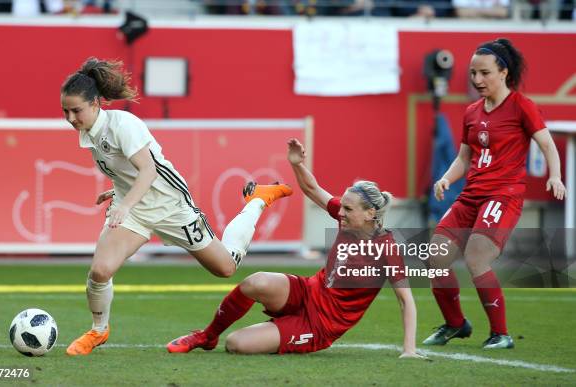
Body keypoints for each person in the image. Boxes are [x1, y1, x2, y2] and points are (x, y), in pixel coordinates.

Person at [61, 57, 292, 356]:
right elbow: (127, 170)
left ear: (95, 104)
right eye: (65, 111)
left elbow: (149, 171)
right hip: (136, 209)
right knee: (100, 271)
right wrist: (117, 193)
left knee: (226, 267)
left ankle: (257, 200)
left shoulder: (123, 125)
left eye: (76, 110)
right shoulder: (88, 131)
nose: (70, 117)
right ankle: (98, 330)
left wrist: (125, 204)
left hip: (170, 204)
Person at [166, 138, 422, 358]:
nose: (339, 212)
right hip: (309, 291)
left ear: (370, 214)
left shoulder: (386, 249)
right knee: (256, 282)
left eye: (348, 209)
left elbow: (406, 301)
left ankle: (282, 330)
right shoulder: (347, 222)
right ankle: (207, 336)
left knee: (236, 344)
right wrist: (296, 163)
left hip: (321, 324)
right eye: (341, 206)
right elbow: (312, 189)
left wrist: (409, 349)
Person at [423, 38, 565, 349]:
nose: (477, 80)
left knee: (477, 256)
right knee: (434, 256)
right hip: (470, 196)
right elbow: (464, 157)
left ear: (503, 72)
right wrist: (446, 179)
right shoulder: (472, 111)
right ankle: (456, 324)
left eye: (484, 73)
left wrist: (555, 176)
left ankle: (501, 334)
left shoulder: (522, 106)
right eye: (473, 73)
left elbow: (547, 145)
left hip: (503, 196)